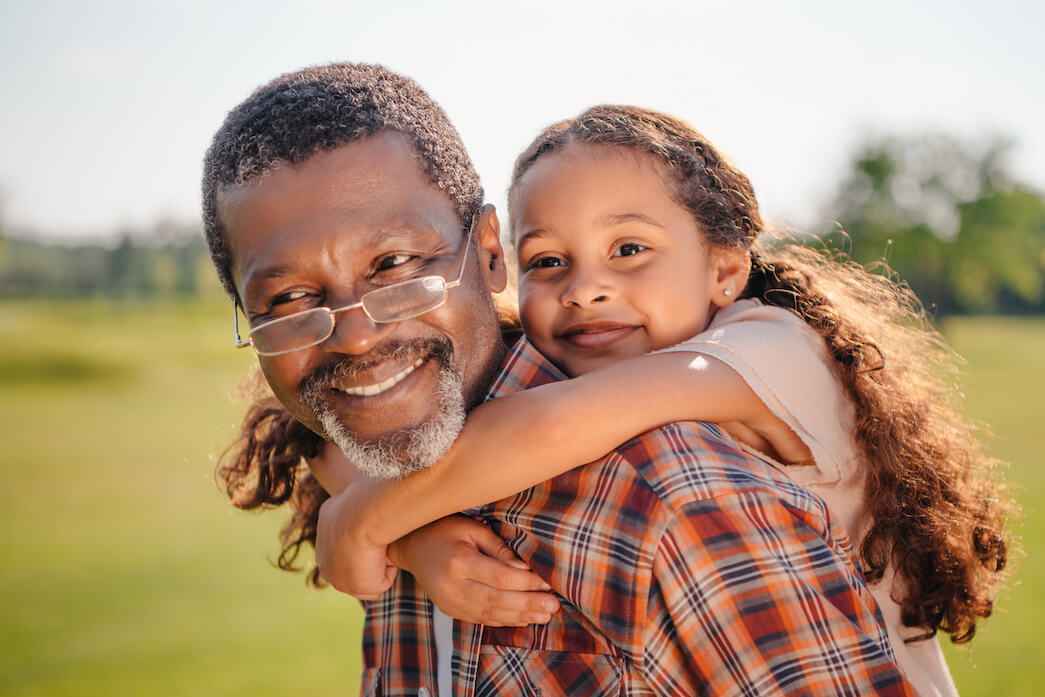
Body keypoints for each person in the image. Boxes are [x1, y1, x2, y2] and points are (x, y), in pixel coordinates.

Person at [204, 63, 917, 696]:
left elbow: (551, 425)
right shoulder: (404, 446)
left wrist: (367, 520)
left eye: (393, 265)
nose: (354, 333)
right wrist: (404, 535)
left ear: (486, 256)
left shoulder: (682, 484)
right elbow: (324, 442)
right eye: (289, 300)